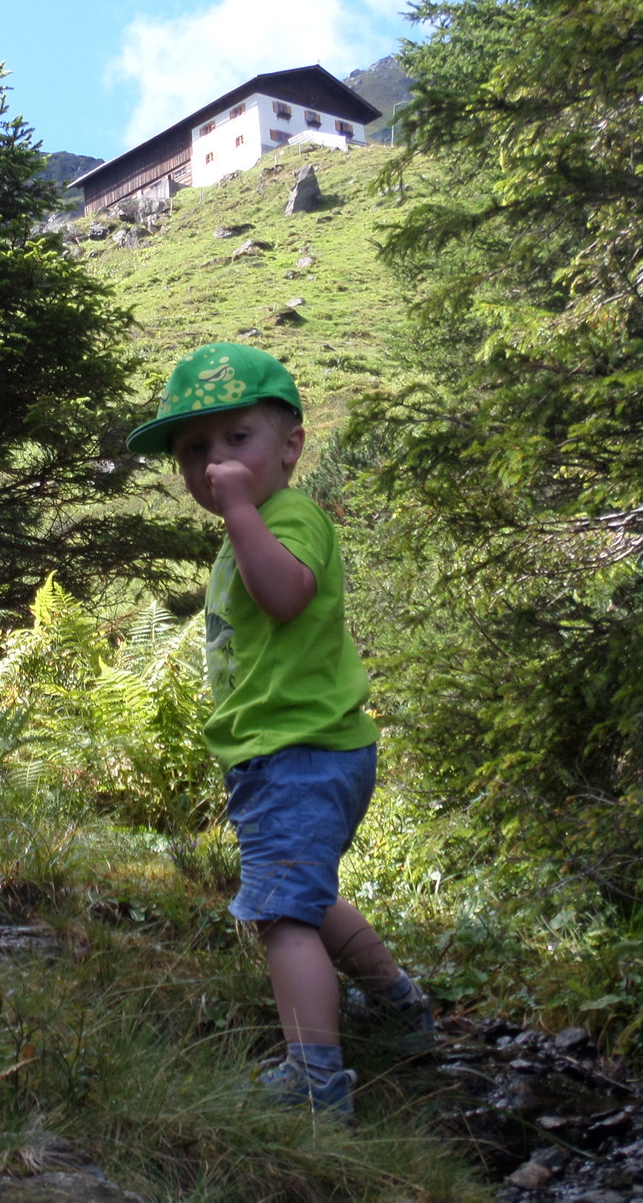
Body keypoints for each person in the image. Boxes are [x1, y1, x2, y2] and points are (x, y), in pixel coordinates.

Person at [126, 342, 434, 1117]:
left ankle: (315, 1079)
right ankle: (398, 1003)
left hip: (299, 754)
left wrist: (238, 512)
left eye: (237, 439)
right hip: (290, 754)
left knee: (282, 916)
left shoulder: (289, 517)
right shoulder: (253, 525)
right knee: (305, 895)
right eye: (194, 449)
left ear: (291, 446)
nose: (215, 462)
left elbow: (287, 595)